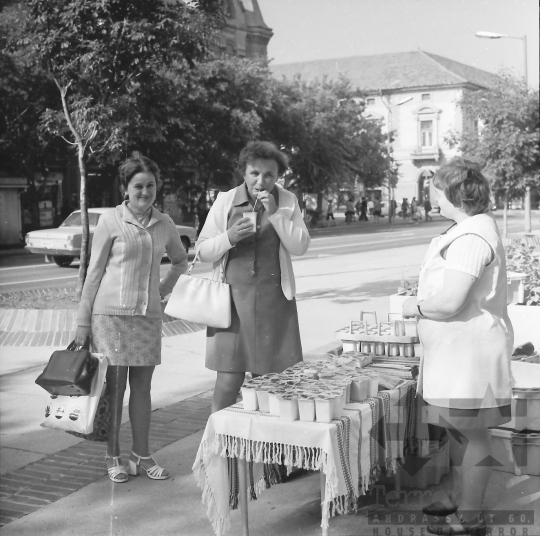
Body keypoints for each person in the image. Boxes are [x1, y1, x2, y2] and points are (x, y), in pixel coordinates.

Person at [402, 158, 513, 536]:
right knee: (457, 431)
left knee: (472, 436)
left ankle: (469, 518)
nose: (431, 196)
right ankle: (456, 495)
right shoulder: (466, 230)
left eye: (435, 190)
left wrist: (412, 306)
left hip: (469, 357)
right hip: (456, 354)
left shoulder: (470, 238)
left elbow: (451, 302)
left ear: (452, 194)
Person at [75, 155, 188, 483]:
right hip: (109, 317)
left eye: (150, 185)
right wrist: (82, 322)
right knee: (115, 389)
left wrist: (162, 291)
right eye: (138, 185)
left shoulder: (165, 223)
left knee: (143, 388)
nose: (145, 191)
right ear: (125, 188)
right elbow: (93, 274)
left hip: (146, 318)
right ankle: (113, 455)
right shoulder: (111, 221)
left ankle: (141, 453)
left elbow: (180, 262)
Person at [196, 141, 310, 414]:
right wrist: (229, 237)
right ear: (243, 173)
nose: (261, 181)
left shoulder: (287, 201)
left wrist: (277, 216)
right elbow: (202, 251)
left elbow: (300, 246)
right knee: (227, 380)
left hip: (274, 304)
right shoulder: (225, 200)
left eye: (269, 175)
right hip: (232, 303)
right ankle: (217, 449)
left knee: (272, 385)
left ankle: (267, 452)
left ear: (278, 176)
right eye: (254, 173)